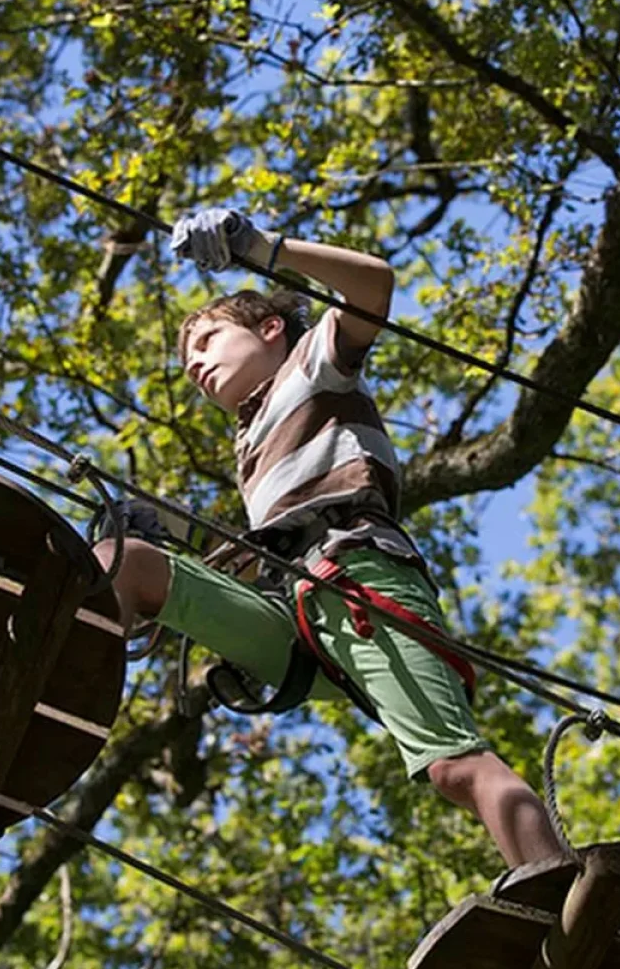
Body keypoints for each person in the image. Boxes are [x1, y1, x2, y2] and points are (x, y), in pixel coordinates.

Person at [90, 207, 571, 872]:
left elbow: (373, 288)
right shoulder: (251, 442)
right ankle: (58, 688)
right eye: (187, 359)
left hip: (359, 583)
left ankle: (555, 881)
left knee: (454, 766)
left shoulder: (313, 364)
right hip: (299, 610)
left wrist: (260, 248)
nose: (194, 364)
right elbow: (275, 542)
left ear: (270, 329)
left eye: (205, 341)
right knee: (126, 563)